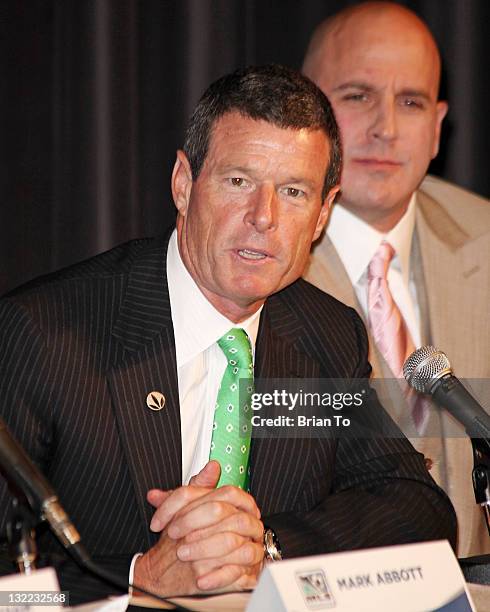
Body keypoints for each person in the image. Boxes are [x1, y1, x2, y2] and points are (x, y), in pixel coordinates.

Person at [0, 65, 456, 603]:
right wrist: (138, 579)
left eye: (292, 192)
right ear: (183, 183)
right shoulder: (44, 332)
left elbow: (417, 511)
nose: (263, 217)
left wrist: (261, 548)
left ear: (322, 215)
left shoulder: (323, 336)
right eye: (239, 181)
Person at [302, 1, 490, 557]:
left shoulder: (485, 237)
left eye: (410, 102)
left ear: (437, 128)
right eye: (358, 96)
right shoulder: (251, 258)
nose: (385, 128)